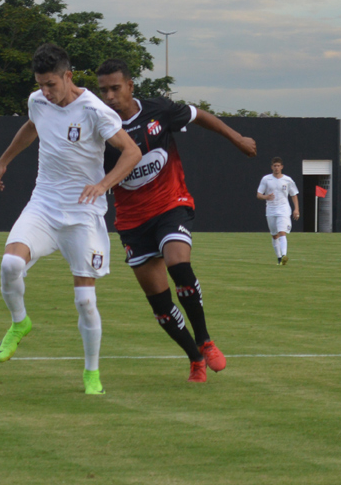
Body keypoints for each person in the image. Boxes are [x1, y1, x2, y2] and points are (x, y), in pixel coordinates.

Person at [0, 43, 141, 395]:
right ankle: (20, 323)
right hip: (44, 204)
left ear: (68, 76)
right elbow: (32, 127)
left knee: (85, 301)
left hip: (83, 212)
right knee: (10, 264)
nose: (45, 91)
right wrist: (3, 162)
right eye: (40, 84)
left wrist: (103, 184)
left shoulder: (94, 110)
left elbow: (132, 152)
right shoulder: (38, 101)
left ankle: (91, 373)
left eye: (51, 84)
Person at [96, 59, 257, 383]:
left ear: (130, 86)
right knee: (160, 306)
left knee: (178, 265)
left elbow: (199, 115)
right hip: (132, 222)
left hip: (171, 205)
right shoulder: (98, 126)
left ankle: (205, 340)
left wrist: (237, 138)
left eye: (115, 88)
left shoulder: (159, 110)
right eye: (104, 91)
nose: (109, 97)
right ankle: (195, 358)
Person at [256, 157, 299, 265]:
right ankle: (279, 258)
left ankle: (284, 255)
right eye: (275, 166)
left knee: (282, 232)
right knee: (275, 235)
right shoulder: (266, 179)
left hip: (283, 209)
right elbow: (259, 195)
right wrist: (266, 197)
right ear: (272, 167)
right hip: (271, 210)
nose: (276, 168)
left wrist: (296, 209)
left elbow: (294, 194)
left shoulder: (288, 180)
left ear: (282, 167)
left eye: (278, 166)